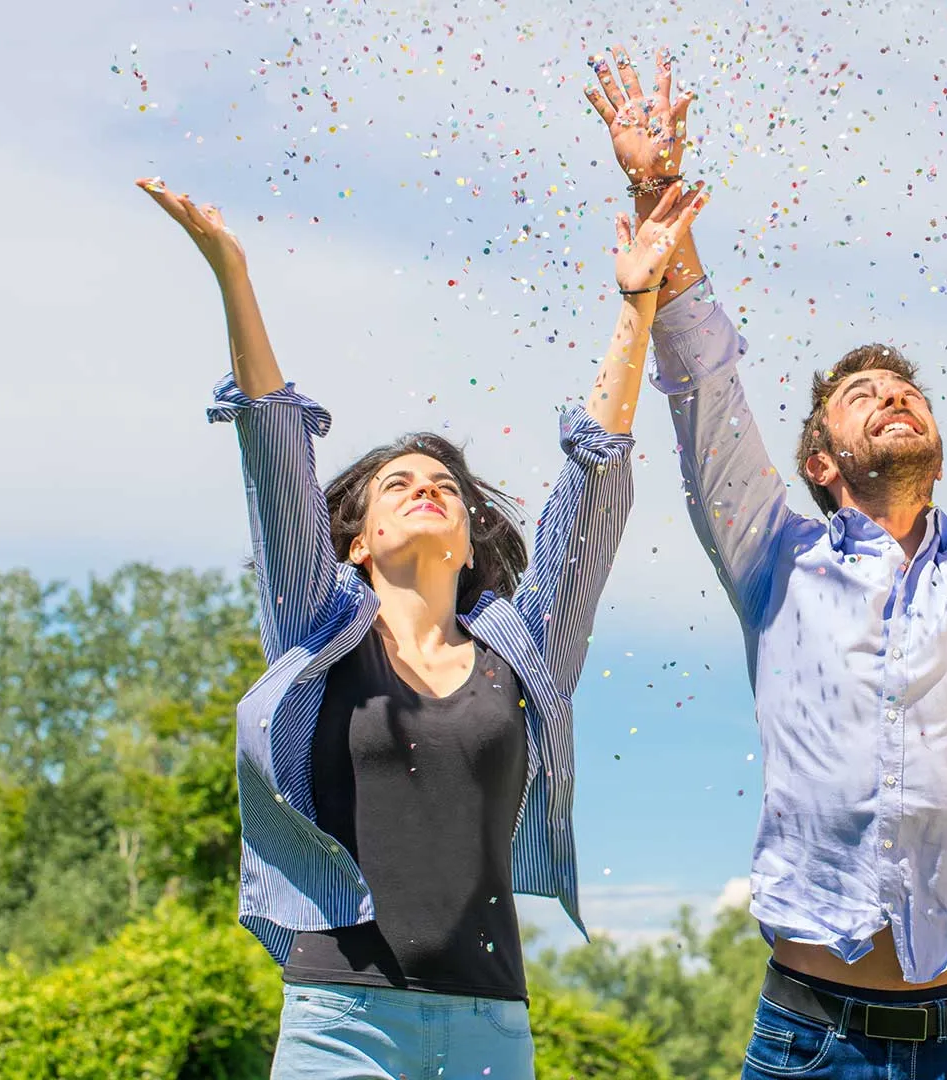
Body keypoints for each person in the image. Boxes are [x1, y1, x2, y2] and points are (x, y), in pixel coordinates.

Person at [581, 41, 947, 1079]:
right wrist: (653, 186)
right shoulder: (774, 558)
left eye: (907, 391)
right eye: (862, 396)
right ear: (819, 459)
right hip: (813, 1037)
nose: (894, 397)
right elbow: (704, 384)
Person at [136, 175, 705, 1078]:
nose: (426, 487)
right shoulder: (316, 630)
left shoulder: (523, 650)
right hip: (341, 1021)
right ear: (358, 542)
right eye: (397, 484)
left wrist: (635, 306)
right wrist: (233, 277)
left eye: (444, 484)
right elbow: (276, 457)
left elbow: (591, 488)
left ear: (471, 531)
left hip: (489, 1029)